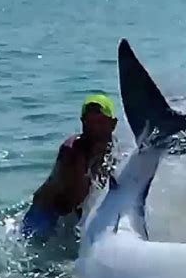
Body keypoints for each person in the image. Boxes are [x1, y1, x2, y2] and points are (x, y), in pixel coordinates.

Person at [22, 93, 118, 240]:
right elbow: (76, 197)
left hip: (70, 213)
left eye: (100, 121)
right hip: (45, 211)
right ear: (82, 122)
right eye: (89, 122)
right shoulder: (72, 151)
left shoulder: (115, 150)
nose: (94, 128)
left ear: (113, 124)